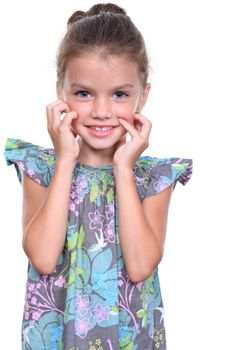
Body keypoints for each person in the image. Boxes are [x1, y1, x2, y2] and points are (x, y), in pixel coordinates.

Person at [4, 3, 192, 349]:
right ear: (61, 92)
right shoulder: (41, 168)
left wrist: (122, 167)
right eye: (84, 93)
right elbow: (43, 258)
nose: (102, 111)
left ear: (142, 96)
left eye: (120, 94)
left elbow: (140, 267)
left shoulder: (153, 177)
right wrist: (65, 161)